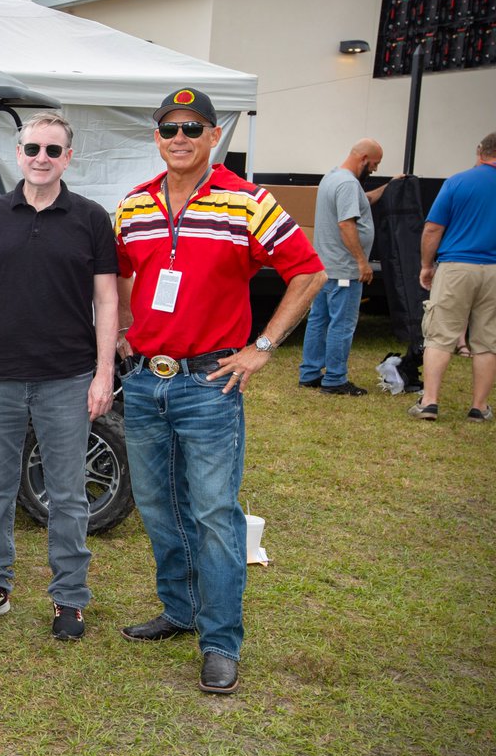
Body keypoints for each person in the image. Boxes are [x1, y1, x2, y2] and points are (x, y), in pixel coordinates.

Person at [113, 88, 325, 692]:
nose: (178, 138)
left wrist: (262, 347)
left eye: (191, 128)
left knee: (213, 513)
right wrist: (127, 331)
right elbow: (122, 272)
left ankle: (220, 641)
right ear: (157, 137)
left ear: (212, 136)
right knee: (158, 508)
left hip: (209, 382)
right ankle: (180, 610)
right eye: (168, 129)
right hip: (146, 379)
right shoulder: (134, 204)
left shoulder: (248, 202)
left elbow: (307, 271)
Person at [0, 111, 119, 641]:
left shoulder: (91, 218)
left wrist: (102, 372)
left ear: (68, 157)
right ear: (16, 153)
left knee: (68, 495)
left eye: (52, 150)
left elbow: (107, 299)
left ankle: (69, 597)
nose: (40, 158)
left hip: (67, 376)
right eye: (31, 149)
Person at [408, 132, 496, 423]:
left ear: (480, 150)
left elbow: (433, 228)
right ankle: (479, 407)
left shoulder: (458, 182)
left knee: (439, 334)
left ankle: (430, 402)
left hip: (457, 266)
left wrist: (425, 266)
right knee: (487, 341)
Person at [298, 139, 393, 395]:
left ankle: (309, 373)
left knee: (318, 319)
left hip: (324, 267)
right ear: (363, 158)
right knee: (342, 324)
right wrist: (362, 262)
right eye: (374, 164)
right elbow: (346, 225)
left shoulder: (332, 177)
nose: (374, 169)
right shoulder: (349, 184)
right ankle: (335, 380)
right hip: (343, 270)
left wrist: (391, 186)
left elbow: (364, 200)